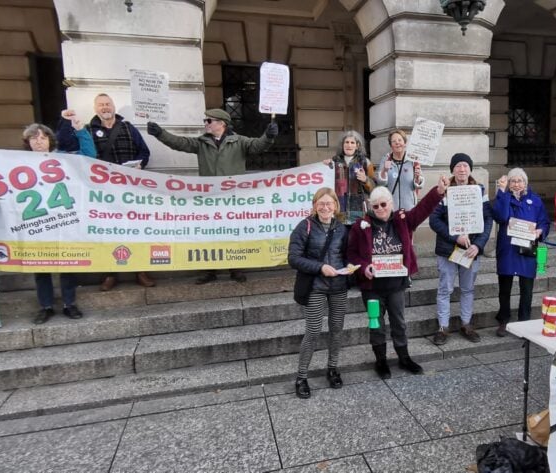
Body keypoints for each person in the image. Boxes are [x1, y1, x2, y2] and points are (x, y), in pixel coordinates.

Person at [147, 109, 277, 284]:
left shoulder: (239, 141)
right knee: (210, 233)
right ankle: (210, 270)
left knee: (233, 232)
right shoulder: (202, 143)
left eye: (209, 120)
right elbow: (179, 143)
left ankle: (236, 268)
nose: (205, 123)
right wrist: (160, 133)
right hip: (209, 198)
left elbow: (258, 145)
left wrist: (268, 136)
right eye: (205, 120)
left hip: (232, 198)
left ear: (222, 123)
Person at [347, 178, 449, 379]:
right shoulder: (361, 226)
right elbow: (351, 254)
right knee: (376, 323)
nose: (380, 209)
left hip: (395, 285)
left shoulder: (402, 219)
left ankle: (404, 357)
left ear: (391, 204)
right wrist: (364, 267)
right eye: (375, 206)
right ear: (371, 207)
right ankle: (381, 361)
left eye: (384, 204)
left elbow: (422, 210)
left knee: (399, 323)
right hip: (372, 288)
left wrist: (437, 192)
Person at [58, 94, 155, 290]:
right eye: (101, 105)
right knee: (108, 231)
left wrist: (140, 165)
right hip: (102, 192)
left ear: (113, 106)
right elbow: (67, 147)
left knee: (136, 230)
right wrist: (65, 122)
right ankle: (110, 273)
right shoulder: (86, 130)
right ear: (95, 108)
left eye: (108, 104)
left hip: (130, 189)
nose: (105, 107)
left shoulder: (129, 128)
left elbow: (144, 152)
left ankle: (141, 270)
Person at [22, 123, 95, 324]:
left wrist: (80, 130)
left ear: (50, 140)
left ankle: (69, 303)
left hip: (63, 218)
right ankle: (45, 306)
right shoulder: (18, 162)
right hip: (36, 220)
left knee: (67, 262)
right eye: (34, 138)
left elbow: (89, 156)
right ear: (28, 142)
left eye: (43, 137)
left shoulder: (64, 158)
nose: (39, 141)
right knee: (40, 265)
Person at [288, 188, 349, 399]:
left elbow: (347, 253)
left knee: (337, 329)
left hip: (339, 286)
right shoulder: (304, 227)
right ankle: (301, 377)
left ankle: (332, 368)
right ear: (314, 206)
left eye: (328, 203)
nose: (325, 207)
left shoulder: (342, 228)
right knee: (313, 331)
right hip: (315, 286)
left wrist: (352, 268)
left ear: (335, 206)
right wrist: (320, 267)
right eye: (320, 203)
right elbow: (293, 258)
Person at [428, 153, 493, 344]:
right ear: (452, 169)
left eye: (465, 165)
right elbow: (434, 220)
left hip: (471, 249)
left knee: (467, 289)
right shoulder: (444, 191)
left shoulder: (479, 191)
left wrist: (478, 244)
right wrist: (454, 236)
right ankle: (442, 327)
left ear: (470, 169)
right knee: (444, 289)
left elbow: (487, 219)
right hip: (448, 249)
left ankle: (466, 324)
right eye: (458, 166)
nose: (462, 169)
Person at [491, 168, 551, 336]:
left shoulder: (536, 200)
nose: (516, 184)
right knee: (504, 288)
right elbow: (501, 217)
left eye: (520, 181)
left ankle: (524, 320)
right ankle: (503, 320)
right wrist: (502, 193)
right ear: (508, 183)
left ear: (526, 182)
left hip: (527, 247)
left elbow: (544, 222)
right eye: (513, 181)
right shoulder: (503, 197)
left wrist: (540, 231)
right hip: (508, 248)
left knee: (527, 288)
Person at [325, 131, 376, 226]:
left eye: (352, 143)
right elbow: (326, 183)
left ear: (357, 146)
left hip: (359, 214)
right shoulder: (334, 162)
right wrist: (325, 166)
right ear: (342, 145)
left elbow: (374, 187)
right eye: (346, 142)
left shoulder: (365, 162)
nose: (349, 145)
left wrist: (365, 180)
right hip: (339, 213)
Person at [377, 130, 424, 211]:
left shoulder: (413, 160)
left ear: (405, 143)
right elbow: (381, 183)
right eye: (394, 141)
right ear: (391, 145)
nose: (397, 143)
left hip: (409, 209)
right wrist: (384, 170)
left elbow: (418, 186)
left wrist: (417, 177)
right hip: (390, 210)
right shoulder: (386, 159)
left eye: (399, 140)